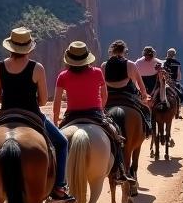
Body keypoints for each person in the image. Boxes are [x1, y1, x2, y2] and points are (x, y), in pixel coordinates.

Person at [0, 27, 75, 203]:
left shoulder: (0, 66)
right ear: (29, 48)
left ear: (10, 47)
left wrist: (11, 100)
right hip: (32, 114)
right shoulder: (37, 68)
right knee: (61, 143)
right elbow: (43, 100)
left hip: (5, 114)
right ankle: (59, 188)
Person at [53, 41, 133, 182]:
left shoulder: (63, 76)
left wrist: (55, 120)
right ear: (87, 57)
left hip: (71, 116)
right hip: (95, 113)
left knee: (55, 144)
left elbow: (57, 101)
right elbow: (105, 95)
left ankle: (55, 179)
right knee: (116, 136)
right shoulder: (96, 72)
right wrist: (101, 110)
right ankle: (120, 171)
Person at [164, 47, 183, 118]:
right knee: (180, 94)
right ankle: (177, 113)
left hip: (163, 82)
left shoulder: (163, 62)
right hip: (173, 83)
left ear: (167, 54)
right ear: (174, 55)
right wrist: (177, 80)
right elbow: (179, 76)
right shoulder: (177, 63)